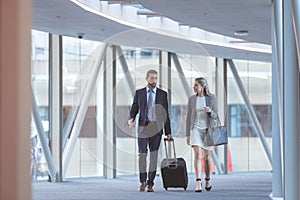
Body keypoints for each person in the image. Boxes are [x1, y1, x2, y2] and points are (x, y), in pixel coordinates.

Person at [128, 69, 172, 192]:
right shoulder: (139, 93)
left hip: (156, 129)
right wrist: (130, 119)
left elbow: (165, 114)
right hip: (143, 127)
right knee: (142, 155)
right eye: (152, 78)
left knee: (153, 156)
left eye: (156, 78)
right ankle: (142, 182)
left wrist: (168, 132)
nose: (154, 81)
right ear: (147, 79)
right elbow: (134, 109)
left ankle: (150, 183)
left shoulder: (163, 94)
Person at [186, 77, 218, 192]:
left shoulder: (211, 98)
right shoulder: (192, 99)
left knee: (207, 157)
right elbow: (188, 117)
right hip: (195, 129)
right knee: (197, 154)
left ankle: (208, 179)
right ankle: (198, 182)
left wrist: (210, 112)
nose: (194, 87)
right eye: (194, 85)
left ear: (202, 86)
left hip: (208, 131)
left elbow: (216, 116)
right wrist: (188, 134)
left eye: (196, 85)